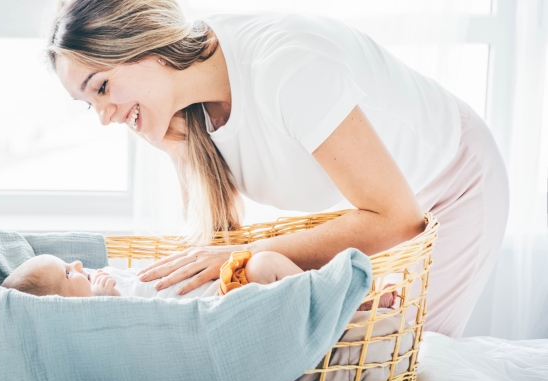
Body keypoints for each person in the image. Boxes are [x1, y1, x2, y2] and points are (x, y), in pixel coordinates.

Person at [44, 0, 509, 337]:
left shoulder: (285, 66)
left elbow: (396, 218)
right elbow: (216, 248)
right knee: (343, 355)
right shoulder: (189, 110)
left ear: (143, 45)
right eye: (90, 105)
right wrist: (178, 150)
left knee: (406, 358)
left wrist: (244, 256)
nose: (105, 116)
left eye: (102, 87)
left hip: (453, 184)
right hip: (377, 207)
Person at [1, 253, 398, 309]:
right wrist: (107, 296)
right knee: (264, 265)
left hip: (224, 284)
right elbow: (133, 323)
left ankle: (340, 297)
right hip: (227, 301)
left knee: (270, 268)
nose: (77, 262)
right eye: (68, 273)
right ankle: (354, 302)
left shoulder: (102, 277)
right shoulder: (99, 309)